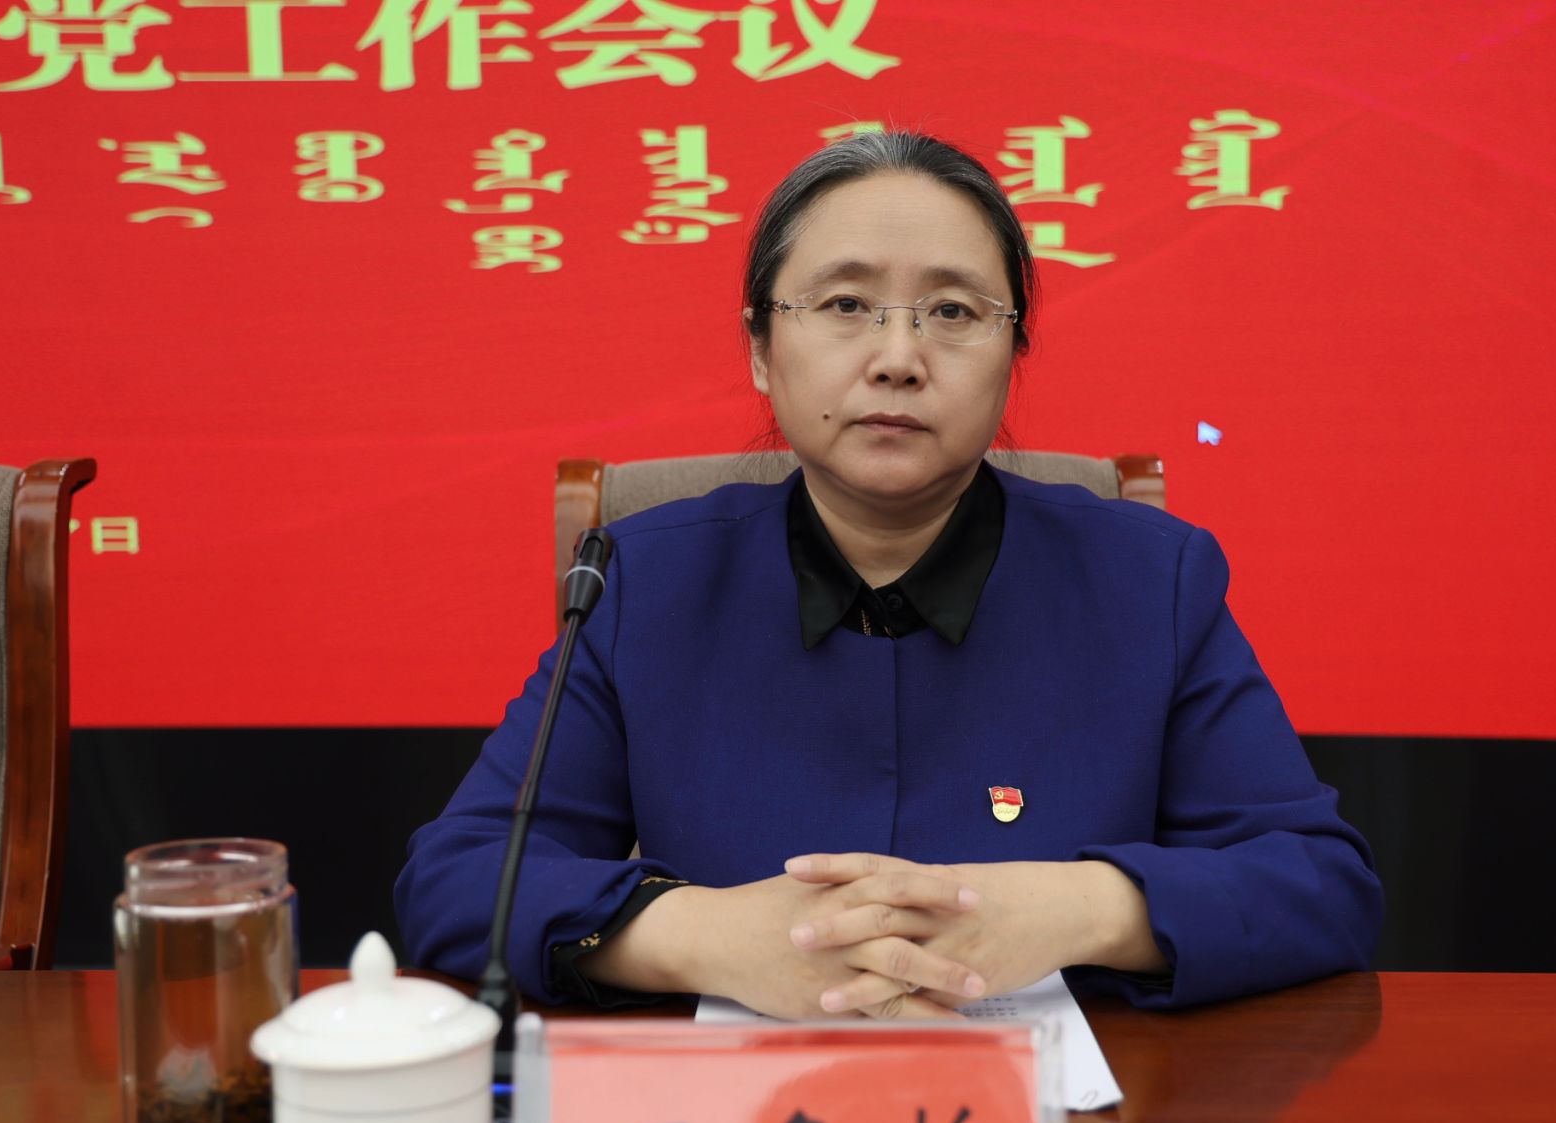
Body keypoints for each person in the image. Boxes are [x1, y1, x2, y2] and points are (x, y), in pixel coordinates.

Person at [396, 131, 1382, 1019]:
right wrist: (708, 935)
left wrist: (1078, 907)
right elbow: (459, 876)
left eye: (952, 310)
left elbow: (1319, 882)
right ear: (759, 349)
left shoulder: (1149, 579)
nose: (899, 356)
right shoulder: (642, 582)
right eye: (845, 305)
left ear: (1012, 353)